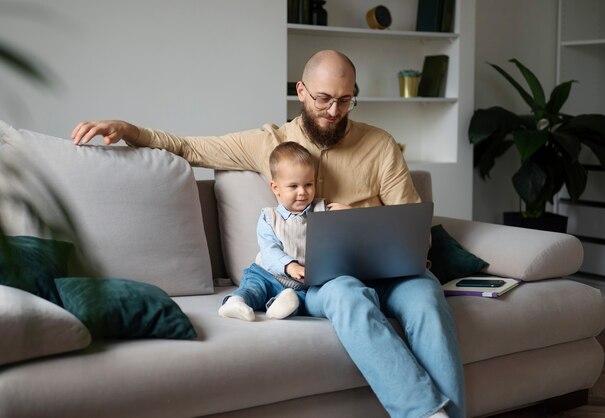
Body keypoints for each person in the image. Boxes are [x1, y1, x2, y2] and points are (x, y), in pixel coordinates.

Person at [72, 49, 465, 418]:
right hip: (331, 281)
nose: (333, 111)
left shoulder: (380, 144)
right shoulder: (269, 143)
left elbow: (413, 229)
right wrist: (128, 129)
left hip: (391, 272)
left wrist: (360, 220)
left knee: (427, 298)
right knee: (349, 298)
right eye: (324, 99)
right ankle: (427, 413)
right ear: (301, 91)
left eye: (345, 101)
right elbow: (189, 147)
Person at [218, 141, 349, 321]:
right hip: (267, 274)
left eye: (308, 184)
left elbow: (344, 239)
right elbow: (269, 250)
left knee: (302, 300)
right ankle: (237, 302)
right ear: (275, 188)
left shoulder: (323, 210)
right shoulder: (269, 217)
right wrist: (289, 265)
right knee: (254, 287)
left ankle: (281, 305)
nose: (302, 192)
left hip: (301, 284)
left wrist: (347, 215)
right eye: (293, 186)